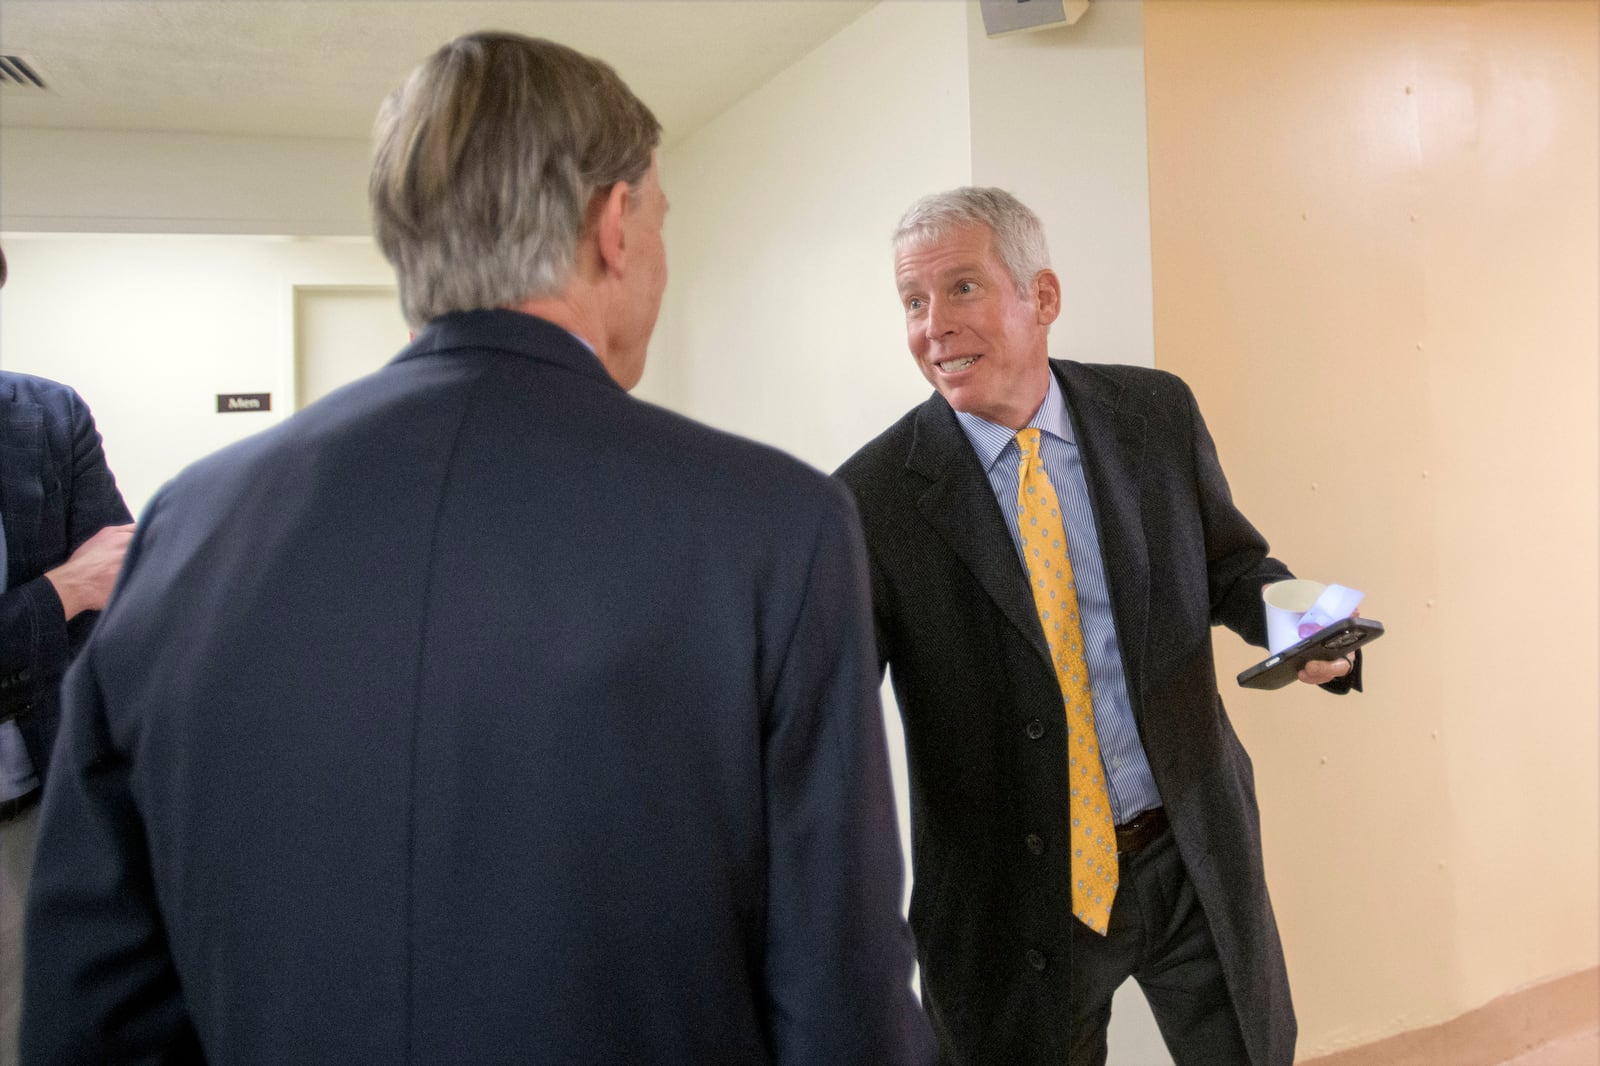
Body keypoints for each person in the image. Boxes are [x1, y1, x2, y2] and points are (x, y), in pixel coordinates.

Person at [22, 34, 932, 1066]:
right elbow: (840, 1002)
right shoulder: (776, 524)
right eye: (662, 220)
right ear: (615, 225)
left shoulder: (186, 528)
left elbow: (93, 1006)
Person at [834, 187, 1360, 1066]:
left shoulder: (1154, 414)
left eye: (961, 288)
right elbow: (834, 707)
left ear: (1042, 297)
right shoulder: (870, 498)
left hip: (1189, 842)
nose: (933, 327)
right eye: (913, 302)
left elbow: (1230, 565)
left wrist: (1308, 628)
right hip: (1014, 895)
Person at [0, 243, 135, 1066]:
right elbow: (79, 590)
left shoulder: (47, 416)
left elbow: (114, 574)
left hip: (39, 812)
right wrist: (57, 594)